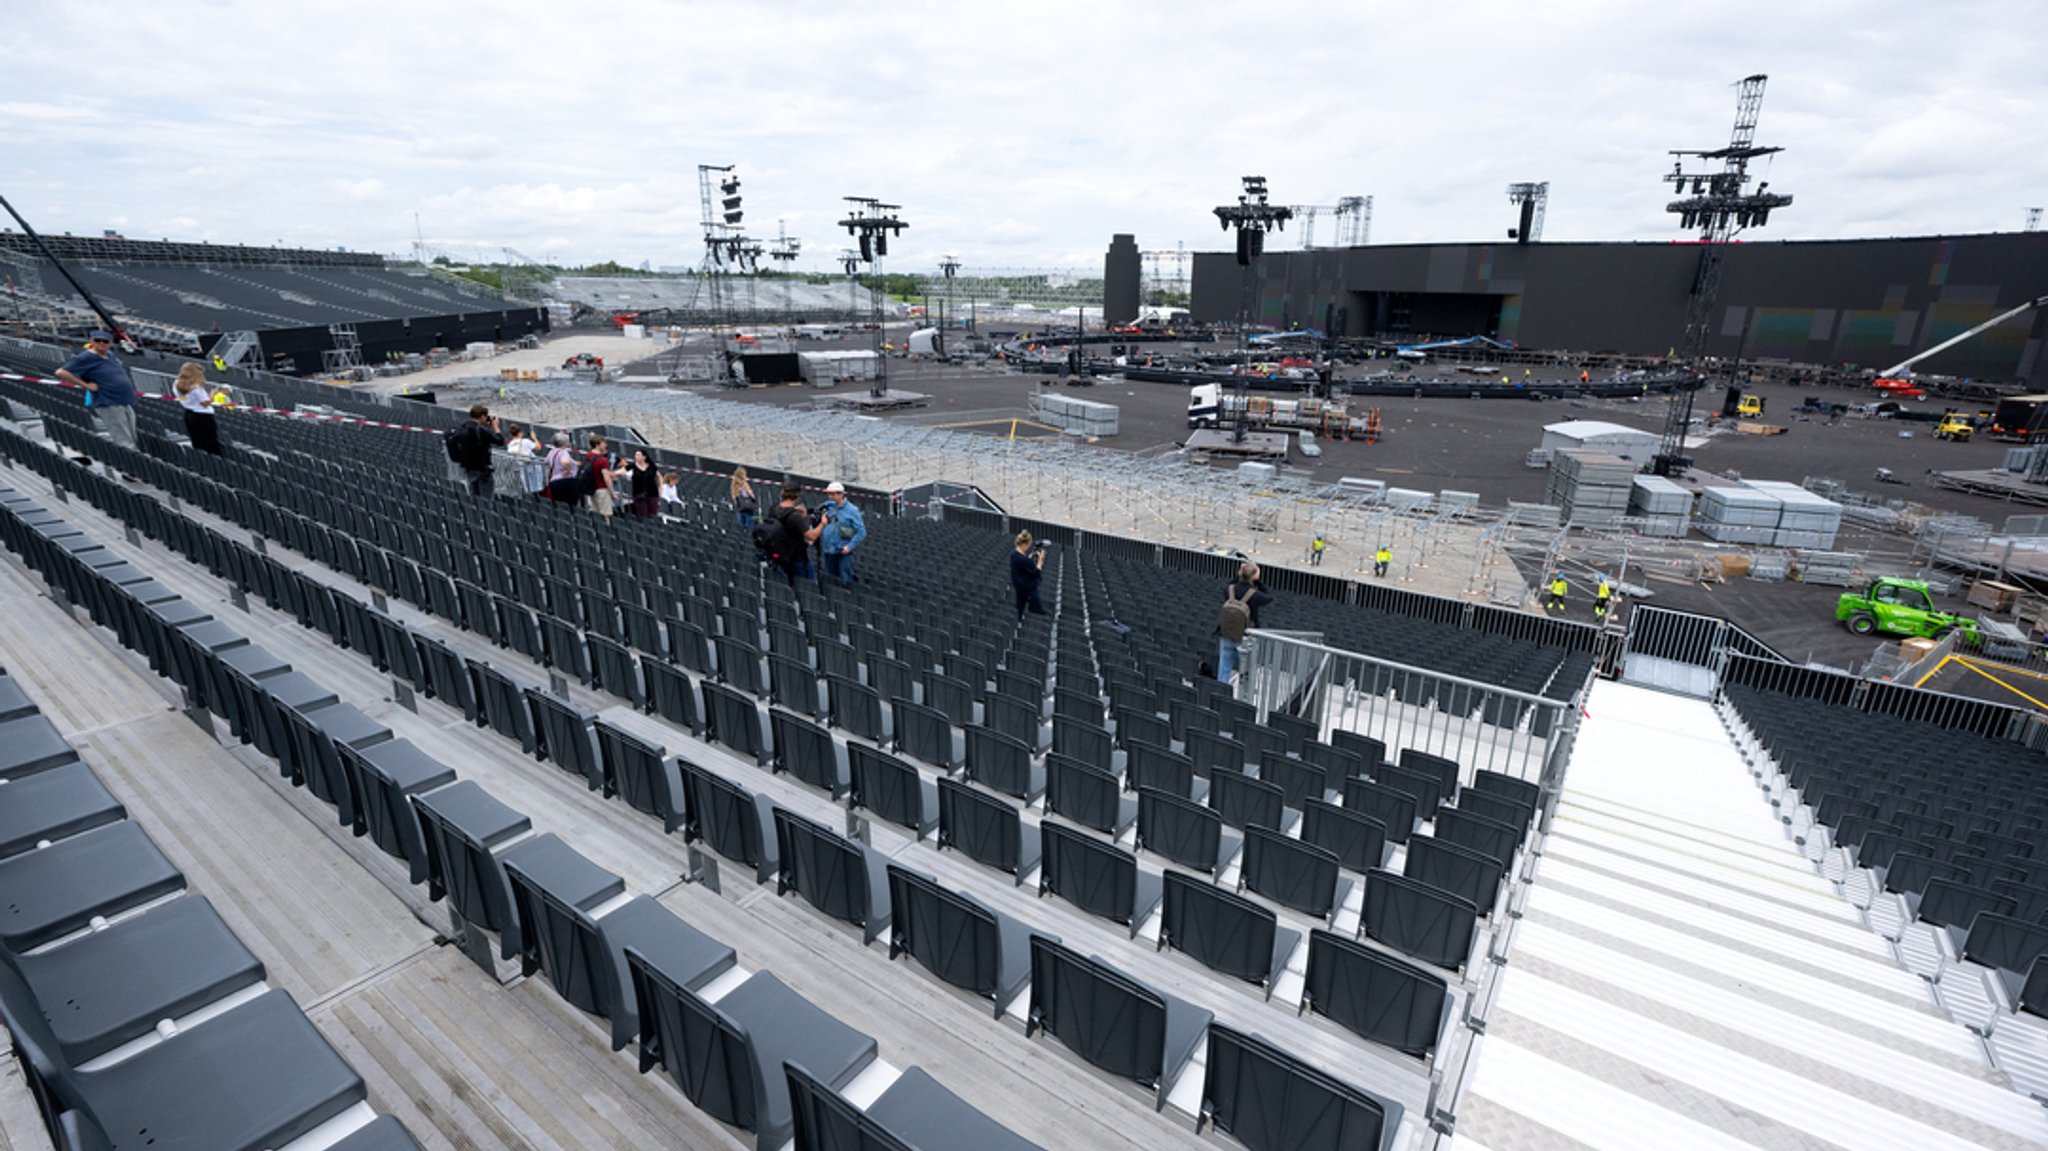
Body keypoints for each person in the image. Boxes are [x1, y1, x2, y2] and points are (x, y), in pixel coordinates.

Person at [55, 331, 138, 452]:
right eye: (98, 340)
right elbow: (61, 372)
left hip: (124, 401)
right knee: (124, 440)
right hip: (108, 401)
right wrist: (86, 385)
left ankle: (136, 461)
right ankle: (134, 467)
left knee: (132, 437)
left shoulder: (109, 355)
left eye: (105, 341)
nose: (101, 343)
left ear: (111, 343)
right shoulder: (86, 357)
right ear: (91, 342)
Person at [1215, 561, 1272, 685]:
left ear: (1240, 573)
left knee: (1224, 666)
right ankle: (1245, 691)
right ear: (1254, 576)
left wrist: (1239, 575)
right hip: (1246, 636)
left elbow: (1229, 585)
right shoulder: (1255, 595)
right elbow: (1269, 597)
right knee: (1247, 667)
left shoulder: (1229, 589)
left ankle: (1221, 689)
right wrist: (1258, 581)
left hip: (1226, 633)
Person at [449, 403, 506, 497]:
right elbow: (500, 441)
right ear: (483, 416)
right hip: (482, 469)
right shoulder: (479, 430)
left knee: (474, 497)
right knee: (486, 498)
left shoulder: (463, 427)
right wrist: (495, 427)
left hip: (468, 468)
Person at [818, 481, 865, 587]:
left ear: (841, 494)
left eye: (833, 494)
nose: (831, 497)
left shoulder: (852, 510)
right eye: (829, 494)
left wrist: (849, 547)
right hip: (828, 550)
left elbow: (861, 532)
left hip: (843, 551)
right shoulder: (827, 507)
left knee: (845, 578)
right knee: (832, 579)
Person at [172, 363, 224, 456]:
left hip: (189, 414)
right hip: (203, 417)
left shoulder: (176, 384)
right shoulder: (196, 388)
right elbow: (206, 403)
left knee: (197, 441)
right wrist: (212, 394)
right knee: (210, 444)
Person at [613, 449, 660, 519]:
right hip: (639, 494)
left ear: (644, 457)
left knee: (653, 513)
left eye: (638, 455)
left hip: (652, 493)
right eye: (635, 455)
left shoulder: (651, 466)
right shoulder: (632, 466)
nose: (636, 456)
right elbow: (620, 472)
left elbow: (659, 476)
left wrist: (660, 487)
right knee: (642, 514)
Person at [1011, 529, 1046, 620]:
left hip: (1019, 587)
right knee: (1038, 611)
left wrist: (1029, 558)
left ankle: (1019, 622)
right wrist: (1040, 560)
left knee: (1020, 609)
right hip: (1028, 588)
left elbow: (1022, 566)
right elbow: (1036, 573)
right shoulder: (1024, 560)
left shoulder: (1013, 554)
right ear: (1024, 544)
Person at [544, 432, 584, 506]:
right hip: (566, 482)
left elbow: (547, 461)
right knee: (571, 504)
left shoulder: (552, 451)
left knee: (559, 504)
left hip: (554, 481)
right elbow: (565, 462)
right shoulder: (563, 452)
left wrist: (574, 463)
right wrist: (568, 470)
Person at [586, 434, 614, 519]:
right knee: (605, 514)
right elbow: (606, 478)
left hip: (591, 488)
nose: (606, 445)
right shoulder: (602, 460)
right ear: (597, 445)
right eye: (603, 443)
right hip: (602, 489)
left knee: (596, 513)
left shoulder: (588, 456)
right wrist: (612, 493)